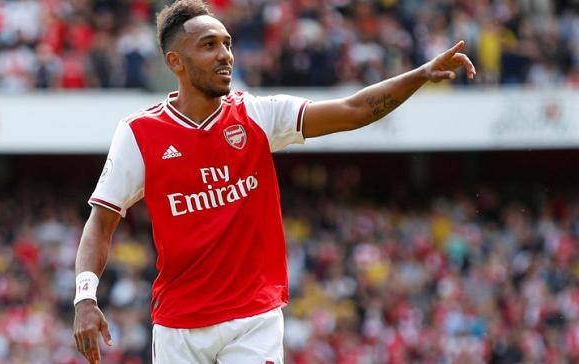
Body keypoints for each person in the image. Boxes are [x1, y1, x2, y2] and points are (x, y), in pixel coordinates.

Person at [72, 0, 476, 363]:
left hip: (253, 320)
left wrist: (420, 74)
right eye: (209, 45)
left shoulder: (257, 115)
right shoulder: (140, 133)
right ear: (175, 61)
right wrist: (86, 297)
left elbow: (354, 110)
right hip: (178, 328)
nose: (225, 55)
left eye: (227, 43)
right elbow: (100, 223)